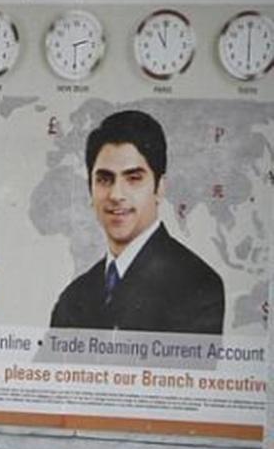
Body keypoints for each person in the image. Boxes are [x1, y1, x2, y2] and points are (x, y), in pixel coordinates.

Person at [50, 110, 224, 334]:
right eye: (104, 179)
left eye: (133, 179)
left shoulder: (197, 284)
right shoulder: (73, 298)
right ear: (90, 189)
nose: (116, 194)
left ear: (159, 188)